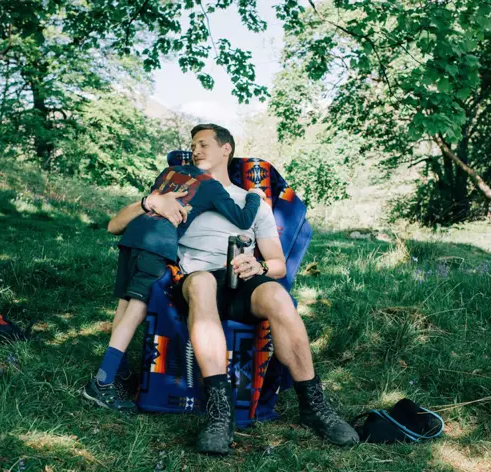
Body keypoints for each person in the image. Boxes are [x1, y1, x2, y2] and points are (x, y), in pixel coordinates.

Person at [106, 123, 359, 453]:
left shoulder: (253, 202)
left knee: (279, 297)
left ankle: (314, 407)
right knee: (203, 283)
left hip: (242, 280)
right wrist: (151, 201)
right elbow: (117, 224)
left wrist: (260, 266)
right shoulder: (180, 193)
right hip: (193, 280)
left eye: (204, 144)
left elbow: (278, 263)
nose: (196, 150)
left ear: (226, 150)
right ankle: (220, 414)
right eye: (193, 145)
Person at [82, 162, 266, 411]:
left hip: (133, 237)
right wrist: (254, 196)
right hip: (158, 244)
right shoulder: (211, 186)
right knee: (135, 311)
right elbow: (243, 219)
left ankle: (120, 372)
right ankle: (102, 383)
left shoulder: (169, 174)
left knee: (124, 307)